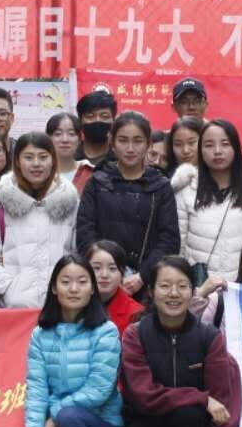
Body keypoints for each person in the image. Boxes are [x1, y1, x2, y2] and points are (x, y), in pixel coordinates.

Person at [120, 257, 242, 427]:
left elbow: (223, 402)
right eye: (165, 286)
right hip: (147, 423)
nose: (174, 293)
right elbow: (144, 395)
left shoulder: (210, 337)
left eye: (182, 286)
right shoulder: (135, 334)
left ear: (192, 291)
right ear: (151, 291)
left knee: (190, 415)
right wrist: (200, 398)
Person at [22, 256, 125, 427]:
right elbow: (36, 388)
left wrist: (56, 415)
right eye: (66, 282)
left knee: (68, 415)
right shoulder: (40, 334)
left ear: (92, 289)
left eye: (82, 282)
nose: (74, 289)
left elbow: (99, 389)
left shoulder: (106, 331)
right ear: (54, 288)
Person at [76, 111, 180, 297]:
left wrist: (142, 276)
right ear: (112, 143)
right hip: (101, 281)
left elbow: (169, 240)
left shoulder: (161, 186)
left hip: (146, 283)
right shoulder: (97, 182)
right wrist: (104, 271)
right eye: (123, 140)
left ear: (148, 144)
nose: (130, 148)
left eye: (138, 141)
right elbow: (85, 233)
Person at [0, 131, 80, 308]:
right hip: (15, 308)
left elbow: (78, 254)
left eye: (43, 157)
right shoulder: (0, 207)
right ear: (17, 161)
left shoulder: (71, 205)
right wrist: (8, 288)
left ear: (53, 160)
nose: (36, 164)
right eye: (28, 157)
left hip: (62, 306)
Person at [172, 119, 242, 284]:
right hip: (199, 288)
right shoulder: (186, 192)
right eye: (209, 145)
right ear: (200, 150)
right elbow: (179, 248)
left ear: (236, 148)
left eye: (225, 144)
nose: (217, 151)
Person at [86, 240, 142, 334]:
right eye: (97, 268)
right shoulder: (73, 304)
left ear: (122, 274)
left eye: (112, 268)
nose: (104, 275)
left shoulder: (136, 314)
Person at [45, 112, 87, 190]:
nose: (65, 140)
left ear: (80, 138)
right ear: (48, 138)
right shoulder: (39, 173)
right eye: (58, 134)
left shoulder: (89, 172)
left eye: (71, 134)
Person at [75, 89, 117, 166]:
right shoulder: (69, 156)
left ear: (113, 121)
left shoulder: (121, 158)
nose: (97, 120)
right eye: (90, 116)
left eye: (104, 116)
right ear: (80, 121)